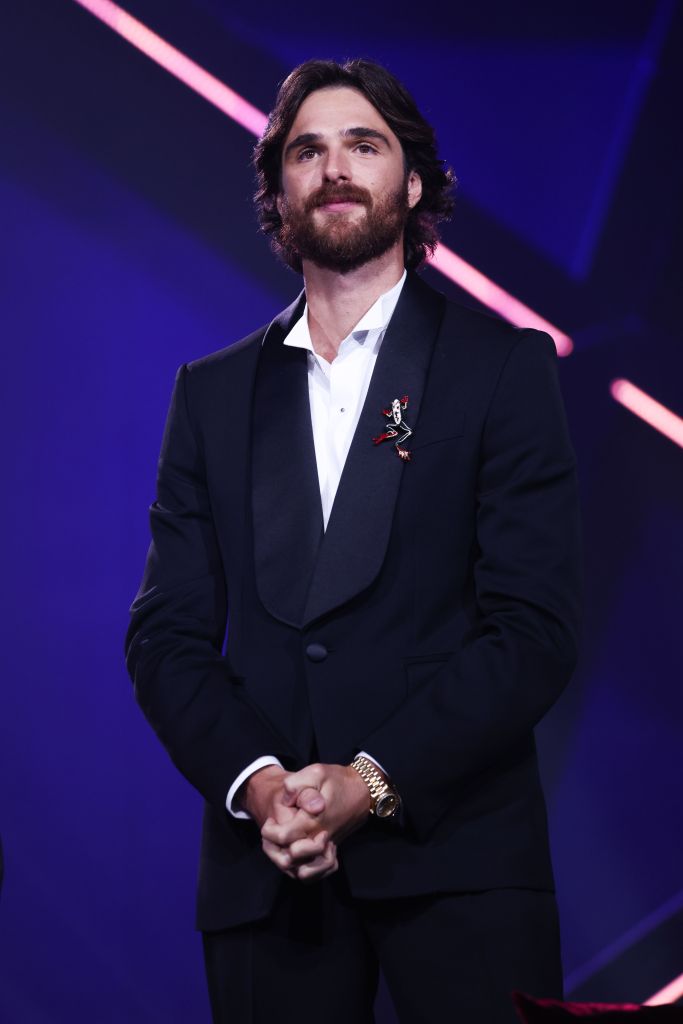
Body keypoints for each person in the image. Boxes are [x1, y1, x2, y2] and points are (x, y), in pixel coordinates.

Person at [125, 58, 582, 1023]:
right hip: (269, 874)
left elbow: (532, 629)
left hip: (460, 866)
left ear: (411, 182)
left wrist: (368, 783)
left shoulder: (502, 367)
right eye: (307, 150)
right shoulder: (209, 396)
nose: (334, 168)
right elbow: (166, 637)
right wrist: (260, 791)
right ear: (279, 190)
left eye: (362, 145)